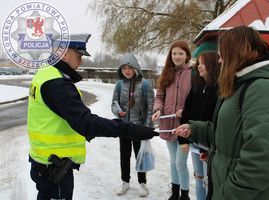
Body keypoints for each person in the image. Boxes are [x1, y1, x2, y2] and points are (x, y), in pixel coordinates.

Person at [175, 26, 269, 200]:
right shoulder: (242, 85)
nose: (219, 61)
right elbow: (232, 136)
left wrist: (228, 194)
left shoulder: (264, 89)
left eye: (222, 55)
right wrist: (196, 130)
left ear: (237, 53)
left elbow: (260, 159)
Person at [27, 34, 158, 200]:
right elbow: (86, 122)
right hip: (53, 165)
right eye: (78, 55)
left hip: (44, 160)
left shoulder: (46, 73)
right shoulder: (57, 83)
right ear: (64, 53)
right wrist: (130, 129)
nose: (81, 61)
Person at [178, 41, 220, 200]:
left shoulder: (219, 88)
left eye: (203, 64)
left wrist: (207, 146)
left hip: (208, 145)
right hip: (194, 139)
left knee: (210, 180)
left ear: (213, 65)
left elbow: (214, 118)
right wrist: (183, 138)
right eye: (199, 64)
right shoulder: (197, 85)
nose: (199, 67)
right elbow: (187, 112)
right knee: (199, 177)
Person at [152, 40, 192, 200]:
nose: (177, 56)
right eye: (174, 53)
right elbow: (160, 96)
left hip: (184, 126)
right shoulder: (166, 72)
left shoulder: (192, 73)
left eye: (180, 53)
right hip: (167, 124)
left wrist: (186, 111)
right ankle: (175, 193)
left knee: (180, 162)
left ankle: (185, 195)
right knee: (173, 161)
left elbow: (195, 97)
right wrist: (158, 109)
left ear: (187, 55)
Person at [111, 53, 154, 197]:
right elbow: (113, 104)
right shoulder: (119, 84)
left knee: (139, 156)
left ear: (135, 67)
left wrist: (147, 127)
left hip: (139, 127)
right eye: (124, 68)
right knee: (124, 156)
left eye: (129, 68)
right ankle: (125, 182)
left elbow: (150, 107)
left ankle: (143, 184)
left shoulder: (146, 84)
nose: (127, 71)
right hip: (123, 127)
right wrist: (118, 112)